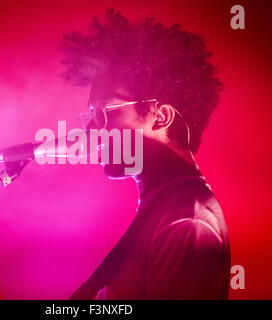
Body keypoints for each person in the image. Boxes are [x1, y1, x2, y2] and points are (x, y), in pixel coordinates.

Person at [63, 9, 230, 300]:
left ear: (161, 116)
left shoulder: (187, 221)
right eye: (89, 114)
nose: (90, 128)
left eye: (102, 112)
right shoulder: (165, 208)